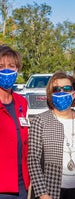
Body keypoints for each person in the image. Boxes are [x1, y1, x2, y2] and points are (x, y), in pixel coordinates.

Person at [28, 71, 75, 199]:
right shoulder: (41, 121)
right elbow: (33, 160)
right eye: (56, 89)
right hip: (52, 191)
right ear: (50, 95)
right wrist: (43, 194)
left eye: (66, 88)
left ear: (73, 94)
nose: (62, 92)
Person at [0, 45, 30, 198]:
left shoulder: (21, 103)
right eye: (1, 66)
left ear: (17, 69)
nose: (6, 70)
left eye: (11, 66)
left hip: (20, 185)